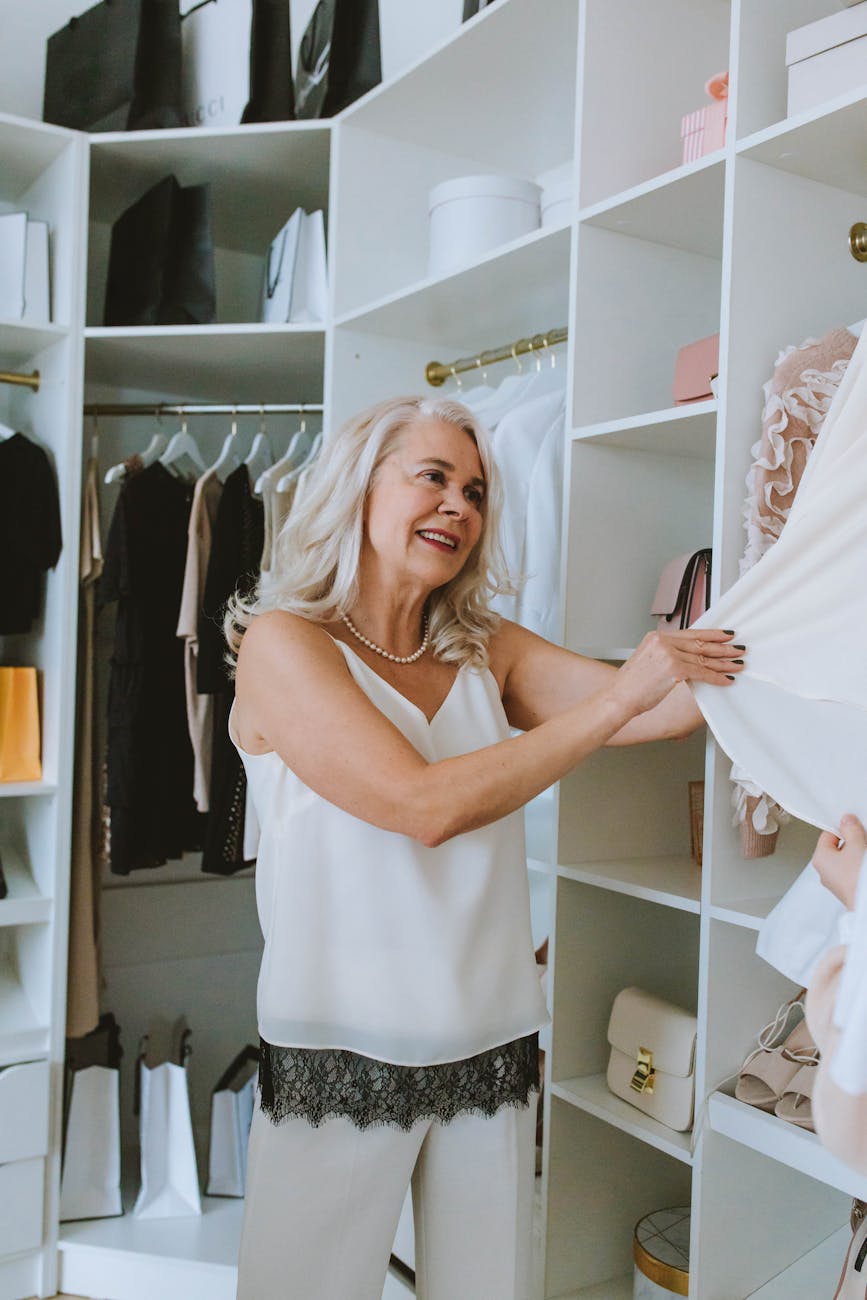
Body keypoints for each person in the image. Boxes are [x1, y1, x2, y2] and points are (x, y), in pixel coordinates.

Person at [226, 395, 743, 1300]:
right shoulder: (284, 644)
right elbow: (419, 805)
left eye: (475, 490)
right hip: (343, 1056)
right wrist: (621, 695)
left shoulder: (481, 647)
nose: (459, 506)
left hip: (490, 1040)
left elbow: (663, 710)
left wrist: (786, 612)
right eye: (432, 477)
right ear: (358, 487)